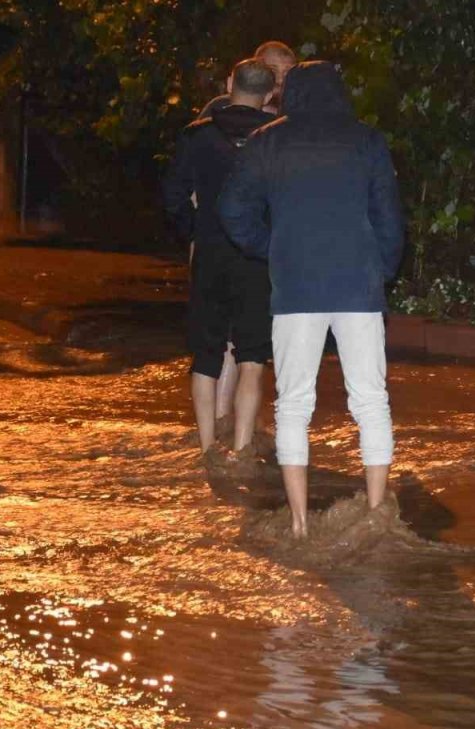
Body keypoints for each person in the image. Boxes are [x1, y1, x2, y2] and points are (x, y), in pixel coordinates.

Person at [219, 61, 404, 537]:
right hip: (358, 287)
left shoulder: (267, 141)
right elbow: (389, 218)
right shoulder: (367, 141)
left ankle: (299, 520)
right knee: (371, 400)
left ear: (292, 93)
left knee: (293, 403)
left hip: (296, 285)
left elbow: (232, 210)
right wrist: (380, 269)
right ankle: (376, 510)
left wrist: (271, 247)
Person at [163, 59, 278, 454]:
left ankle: (207, 445)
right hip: (257, 260)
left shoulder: (196, 137)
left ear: (230, 82)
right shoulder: (275, 139)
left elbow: (173, 197)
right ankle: (243, 448)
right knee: (252, 356)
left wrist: (194, 228)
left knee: (206, 353)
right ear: (271, 93)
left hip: (210, 254)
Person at [199, 41, 298, 120]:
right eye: (273, 70)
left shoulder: (297, 109)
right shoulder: (221, 105)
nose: (280, 79)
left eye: (287, 72)